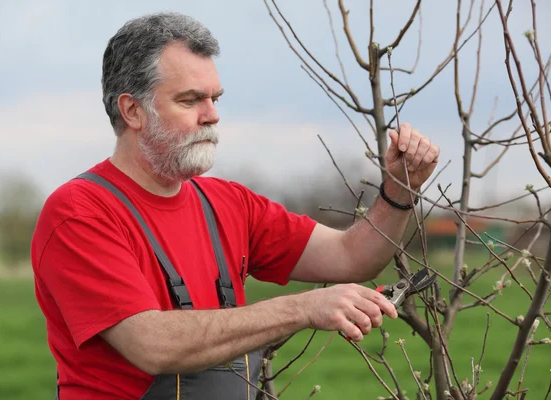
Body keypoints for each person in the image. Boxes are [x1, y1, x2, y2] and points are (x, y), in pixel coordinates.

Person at [31, 12, 440, 400]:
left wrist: (399, 189)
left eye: (215, 99)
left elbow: (352, 256)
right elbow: (151, 344)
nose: (212, 116)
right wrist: (303, 307)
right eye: (191, 101)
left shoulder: (227, 204)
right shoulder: (80, 212)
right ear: (133, 110)